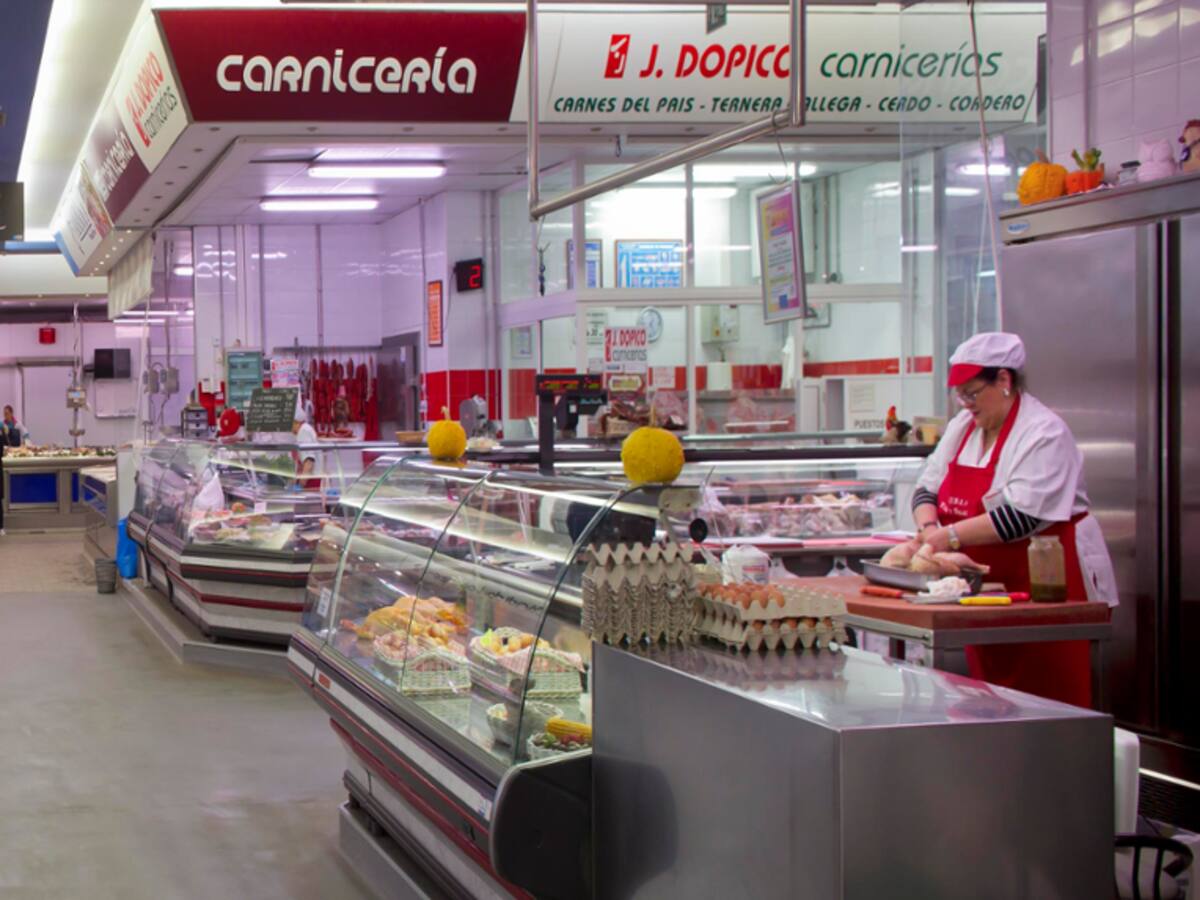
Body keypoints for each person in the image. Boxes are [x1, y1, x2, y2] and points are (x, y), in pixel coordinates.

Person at [910, 332, 1118, 707]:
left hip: (1048, 586)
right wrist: (928, 529)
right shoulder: (962, 427)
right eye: (959, 395)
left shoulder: (1043, 432)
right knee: (991, 701)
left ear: (1004, 380)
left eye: (972, 393)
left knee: (1051, 699)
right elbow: (926, 488)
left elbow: (1021, 517)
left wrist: (945, 537)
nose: (965, 404)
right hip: (986, 592)